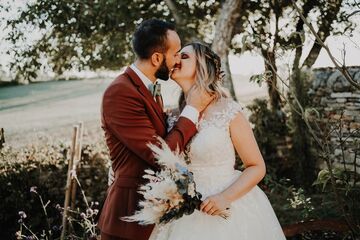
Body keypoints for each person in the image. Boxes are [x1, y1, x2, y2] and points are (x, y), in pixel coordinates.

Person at [149, 42, 286, 240]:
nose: (176, 59)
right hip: (183, 214)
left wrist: (225, 197)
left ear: (203, 66)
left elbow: (256, 166)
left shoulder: (228, 111)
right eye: (177, 56)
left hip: (228, 208)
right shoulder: (172, 117)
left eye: (184, 57)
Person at [96, 20, 213, 240]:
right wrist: (193, 109)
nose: (178, 59)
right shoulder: (120, 92)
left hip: (158, 215)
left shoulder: (150, 90)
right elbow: (161, 155)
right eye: (176, 53)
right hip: (128, 222)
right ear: (157, 58)